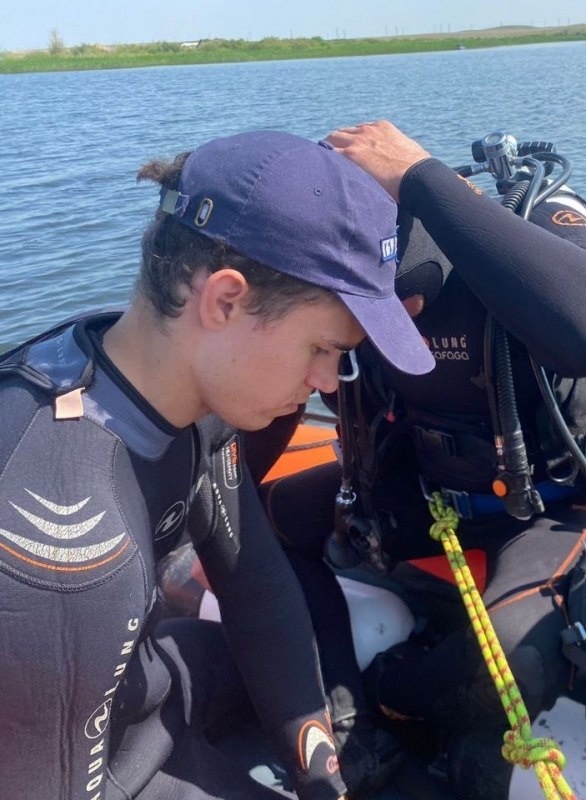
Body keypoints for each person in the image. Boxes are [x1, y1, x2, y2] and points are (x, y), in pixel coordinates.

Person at [0, 129, 433, 800]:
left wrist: (319, 772)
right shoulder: (63, 538)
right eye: (322, 348)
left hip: (129, 704)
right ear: (225, 300)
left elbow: (257, 589)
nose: (328, 383)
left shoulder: (171, 384)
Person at [254, 121, 586, 798]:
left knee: (513, 651)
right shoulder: (336, 285)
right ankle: (349, 719)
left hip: (546, 504)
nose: (383, 329)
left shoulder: (517, 233)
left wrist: (420, 176)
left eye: (394, 310)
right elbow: (282, 401)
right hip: (426, 485)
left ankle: (402, 695)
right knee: (268, 518)